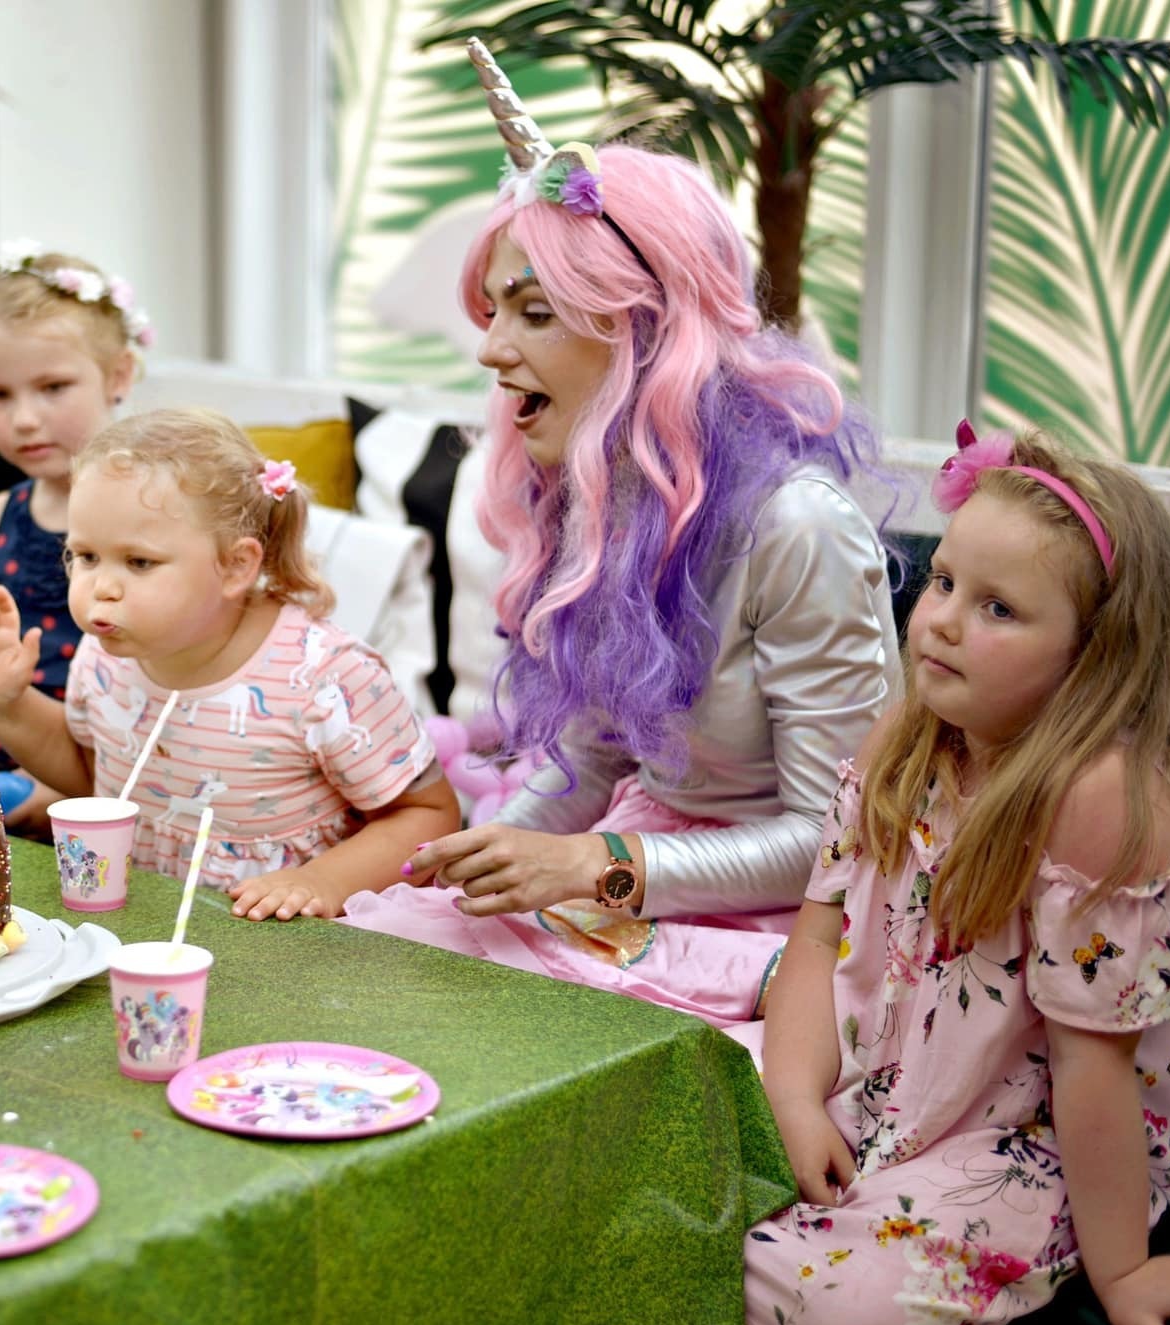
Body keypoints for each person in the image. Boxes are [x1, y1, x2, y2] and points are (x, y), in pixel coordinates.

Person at [341, 42, 897, 1039]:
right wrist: (485, 856)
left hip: (781, 926)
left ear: (645, 332)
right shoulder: (604, 497)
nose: (489, 349)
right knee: (400, 949)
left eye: (532, 313)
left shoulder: (798, 527)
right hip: (637, 880)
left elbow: (836, 846)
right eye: (494, 312)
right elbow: (595, 759)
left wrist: (593, 865)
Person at [748, 428, 1170, 1325]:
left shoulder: (1098, 801)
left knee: (841, 1309)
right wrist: (793, 1096)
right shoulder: (907, 740)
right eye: (944, 582)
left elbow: (1091, 1070)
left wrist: (1123, 1273)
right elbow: (818, 940)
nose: (943, 620)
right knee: (680, 1170)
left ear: (1094, 653)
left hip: (1034, 1133)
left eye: (997, 608)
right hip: (883, 1074)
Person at [0, 408, 458, 920]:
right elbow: (96, 775)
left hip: (290, 944)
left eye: (139, 561)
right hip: (149, 923)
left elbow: (429, 814)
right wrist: (7, 705)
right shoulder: (104, 656)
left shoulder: (325, 678)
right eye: (85, 556)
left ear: (236, 566)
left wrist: (321, 881)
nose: (101, 587)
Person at [0, 242, 149, 703]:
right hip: (8, 741)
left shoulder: (159, 508)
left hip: (131, 740)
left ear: (118, 375)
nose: (24, 419)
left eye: (53, 387)